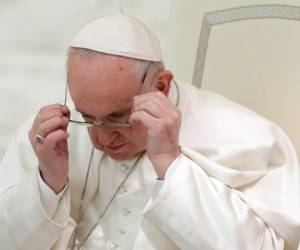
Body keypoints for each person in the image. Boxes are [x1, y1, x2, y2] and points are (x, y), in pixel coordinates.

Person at [0, 14, 299, 250]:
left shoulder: (240, 135)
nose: (102, 139)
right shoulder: (53, 135)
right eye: (88, 117)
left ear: (161, 86)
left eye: (118, 118)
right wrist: (47, 184)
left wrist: (171, 163)